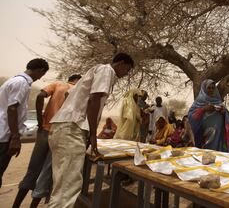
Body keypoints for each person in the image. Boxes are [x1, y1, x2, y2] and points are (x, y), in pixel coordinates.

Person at [47, 53, 134, 208]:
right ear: (121, 63)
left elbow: (71, 95)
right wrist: (93, 135)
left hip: (68, 127)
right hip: (71, 127)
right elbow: (94, 100)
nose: (126, 74)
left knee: (63, 186)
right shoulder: (107, 71)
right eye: (127, 70)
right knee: (66, 189)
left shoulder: (96, 72)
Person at [13, 74, 81, 208]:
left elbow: (39, 96)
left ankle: (15, 205)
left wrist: (40, 120)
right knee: (47, 172)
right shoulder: (78, 89)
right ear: (77, 80)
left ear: (69, 78)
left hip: (45, 130)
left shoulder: (57, 85)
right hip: (61, 133)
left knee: (33, 169)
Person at [0, 58, 49, 188]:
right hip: (4, 136)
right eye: (42, 74)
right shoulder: (21, 83)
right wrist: (15, 137)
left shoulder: (14, 81)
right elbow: (12, 108)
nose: (40, 78)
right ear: (40, 70)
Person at [188, 79, 229, 152]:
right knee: (206, 153)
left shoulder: (218, 101)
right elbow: (191, 115)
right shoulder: (198, 102)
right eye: (209, 88)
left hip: (218, 135)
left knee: (218, 154)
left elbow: (226, 114)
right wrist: (203, 109)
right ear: (204, 89)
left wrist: (224, 112)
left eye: (213, 88)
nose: (211, 90)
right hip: (204, 134)